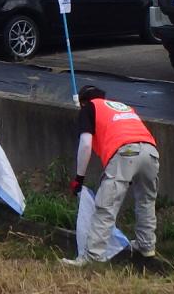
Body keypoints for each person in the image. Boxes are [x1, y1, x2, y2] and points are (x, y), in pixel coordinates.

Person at [62, 84, 160, 267]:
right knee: (146, 201)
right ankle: (146, 247)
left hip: (126, 152)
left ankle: (92, 257)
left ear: (83, 101)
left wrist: (79, 178)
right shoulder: (120, 106)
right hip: (150, 151)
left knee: (105, 206)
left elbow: (85, 144)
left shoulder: (89, 108)